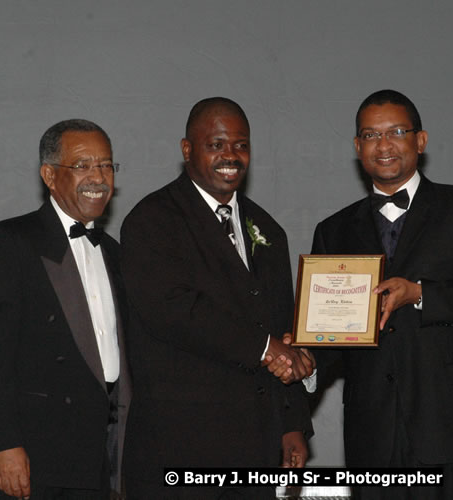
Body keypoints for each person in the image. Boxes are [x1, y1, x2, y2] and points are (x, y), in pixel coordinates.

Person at [310, 89, 453, 500]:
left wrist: (421, 294)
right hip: (372, 436)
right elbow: (332, 334)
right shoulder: (334, 230)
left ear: (420, 141)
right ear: (358, 147)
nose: (384, 145)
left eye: (396, 132)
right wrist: (302, 354)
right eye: (371, 135)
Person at [120, 97, 313, 499]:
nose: (231, 156)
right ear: (187, 149)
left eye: (241, 145)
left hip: (256, 453)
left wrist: (292, 424)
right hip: (180, 451)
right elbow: (174, 311)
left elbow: (283, 326)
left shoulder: (267, 229)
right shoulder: (151, 220)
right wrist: (266, 349)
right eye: (217, 144)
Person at [0, 119, 131, 499]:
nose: (98, 177)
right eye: (83, 165)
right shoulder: (10, 242)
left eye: (106, 165)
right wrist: (2, 445)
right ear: (50, 175)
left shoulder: (115, 254)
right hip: (34, 456)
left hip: (98, 458)